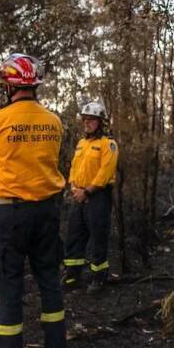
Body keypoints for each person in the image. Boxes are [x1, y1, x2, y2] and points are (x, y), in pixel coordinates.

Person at [0, 53, 67, 348]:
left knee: (10, 287)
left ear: (9, 86)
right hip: (48, 212)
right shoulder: (54, 121)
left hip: (11, 214)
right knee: (49, 282)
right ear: (34, 85)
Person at [63, 100, 118, 294]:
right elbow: (74, 168)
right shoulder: (81, 144)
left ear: (101, 122)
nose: (87, 122)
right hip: (78, 196)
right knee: (74, 236)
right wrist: (73, 187)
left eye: (91, 119)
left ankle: (98, 278)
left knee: (98, 238)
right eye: (85, 119)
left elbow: (105, 172)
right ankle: (72, 275)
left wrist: (87, 191)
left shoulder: (108, 144)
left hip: (97, 197)